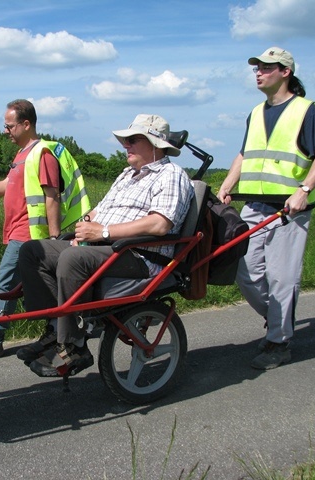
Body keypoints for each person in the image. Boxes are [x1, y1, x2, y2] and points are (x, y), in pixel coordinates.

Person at [17, 114, 193, 377]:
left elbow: (160, 224)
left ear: (155, 144)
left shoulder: (171, 174)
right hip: (107, 247)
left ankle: (74, 344)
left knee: (73, 260)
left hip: (141, 256)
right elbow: (100, 210)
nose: (126, 145)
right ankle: (55, 328)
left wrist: (104, 232)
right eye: (126, 140)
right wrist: (85, 227)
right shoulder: (127, 175)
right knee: (33, 251)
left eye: (133, 140)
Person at [216, 47, 315, 370]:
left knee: (282, 277)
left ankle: (279, 342)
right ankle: (279, 320)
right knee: (245, 271)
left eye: (267, 67)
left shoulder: (306, 111)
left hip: (289, 211)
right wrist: (227, 184)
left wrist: (304, 189)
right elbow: (244, 154)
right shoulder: (254, 113)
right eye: (257, 67)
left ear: (286, 72)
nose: (258, 72)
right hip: (252, 204)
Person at [0, 99, 90, 361]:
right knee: (27, 288)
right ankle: (58, 331)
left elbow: (52, 196)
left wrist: (54, 240)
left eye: (9, 126)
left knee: (4, 287)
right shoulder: (22, 155)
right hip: (18, 233)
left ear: (26, 124)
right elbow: (8, 184)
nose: (5, 131)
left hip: (29, 236)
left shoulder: (42, 154)